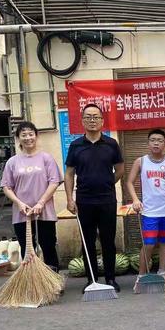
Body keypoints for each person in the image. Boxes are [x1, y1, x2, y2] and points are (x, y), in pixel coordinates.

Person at [65, 104, 124, 292]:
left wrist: (107, 182)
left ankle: (110, 279)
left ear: (102, 121)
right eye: (88, 117)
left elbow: (120, 169)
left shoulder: (111, 144)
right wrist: (69, 199)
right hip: (84, 201)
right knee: (87, 242)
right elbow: (69, 174)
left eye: (96, 117)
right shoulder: (76, 146)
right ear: (82, 121)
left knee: (108, 241)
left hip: (107, 200)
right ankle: (92, 280)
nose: (92, 120)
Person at [1, 121, 63, 272]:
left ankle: (53, 282)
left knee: (48, 246)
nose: (28, 138)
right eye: (23, 135)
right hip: (22, 214)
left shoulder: (46, 158)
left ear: (36, 136)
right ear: (18, 138)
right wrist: (19, 203)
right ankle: (31, 282)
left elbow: (54, 182)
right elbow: (6, 187)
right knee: (27, 249)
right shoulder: (12, 162)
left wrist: (41, 202)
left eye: (30, 134)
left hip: (45, 213)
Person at [126, 129, 165, 284]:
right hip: (149, 211)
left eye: (160, 140)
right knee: (148, 244)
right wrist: (135, 199)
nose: (156, 143)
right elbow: (129, 182)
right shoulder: (141, 161)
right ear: (148, 143)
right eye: (153, 140)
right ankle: (141, 276)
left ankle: (162, 273)